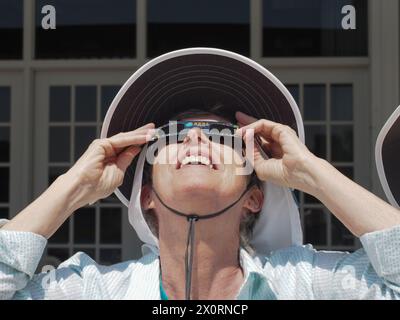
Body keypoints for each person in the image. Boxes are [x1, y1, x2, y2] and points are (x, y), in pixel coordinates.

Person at [1, 48, 400, 300]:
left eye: (221, 135)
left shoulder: (307, 286)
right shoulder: (94, 290)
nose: (195, 137)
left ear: (254, 196)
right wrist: (72, 187)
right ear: (145, 194)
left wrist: (312, 172)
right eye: (173, 134)